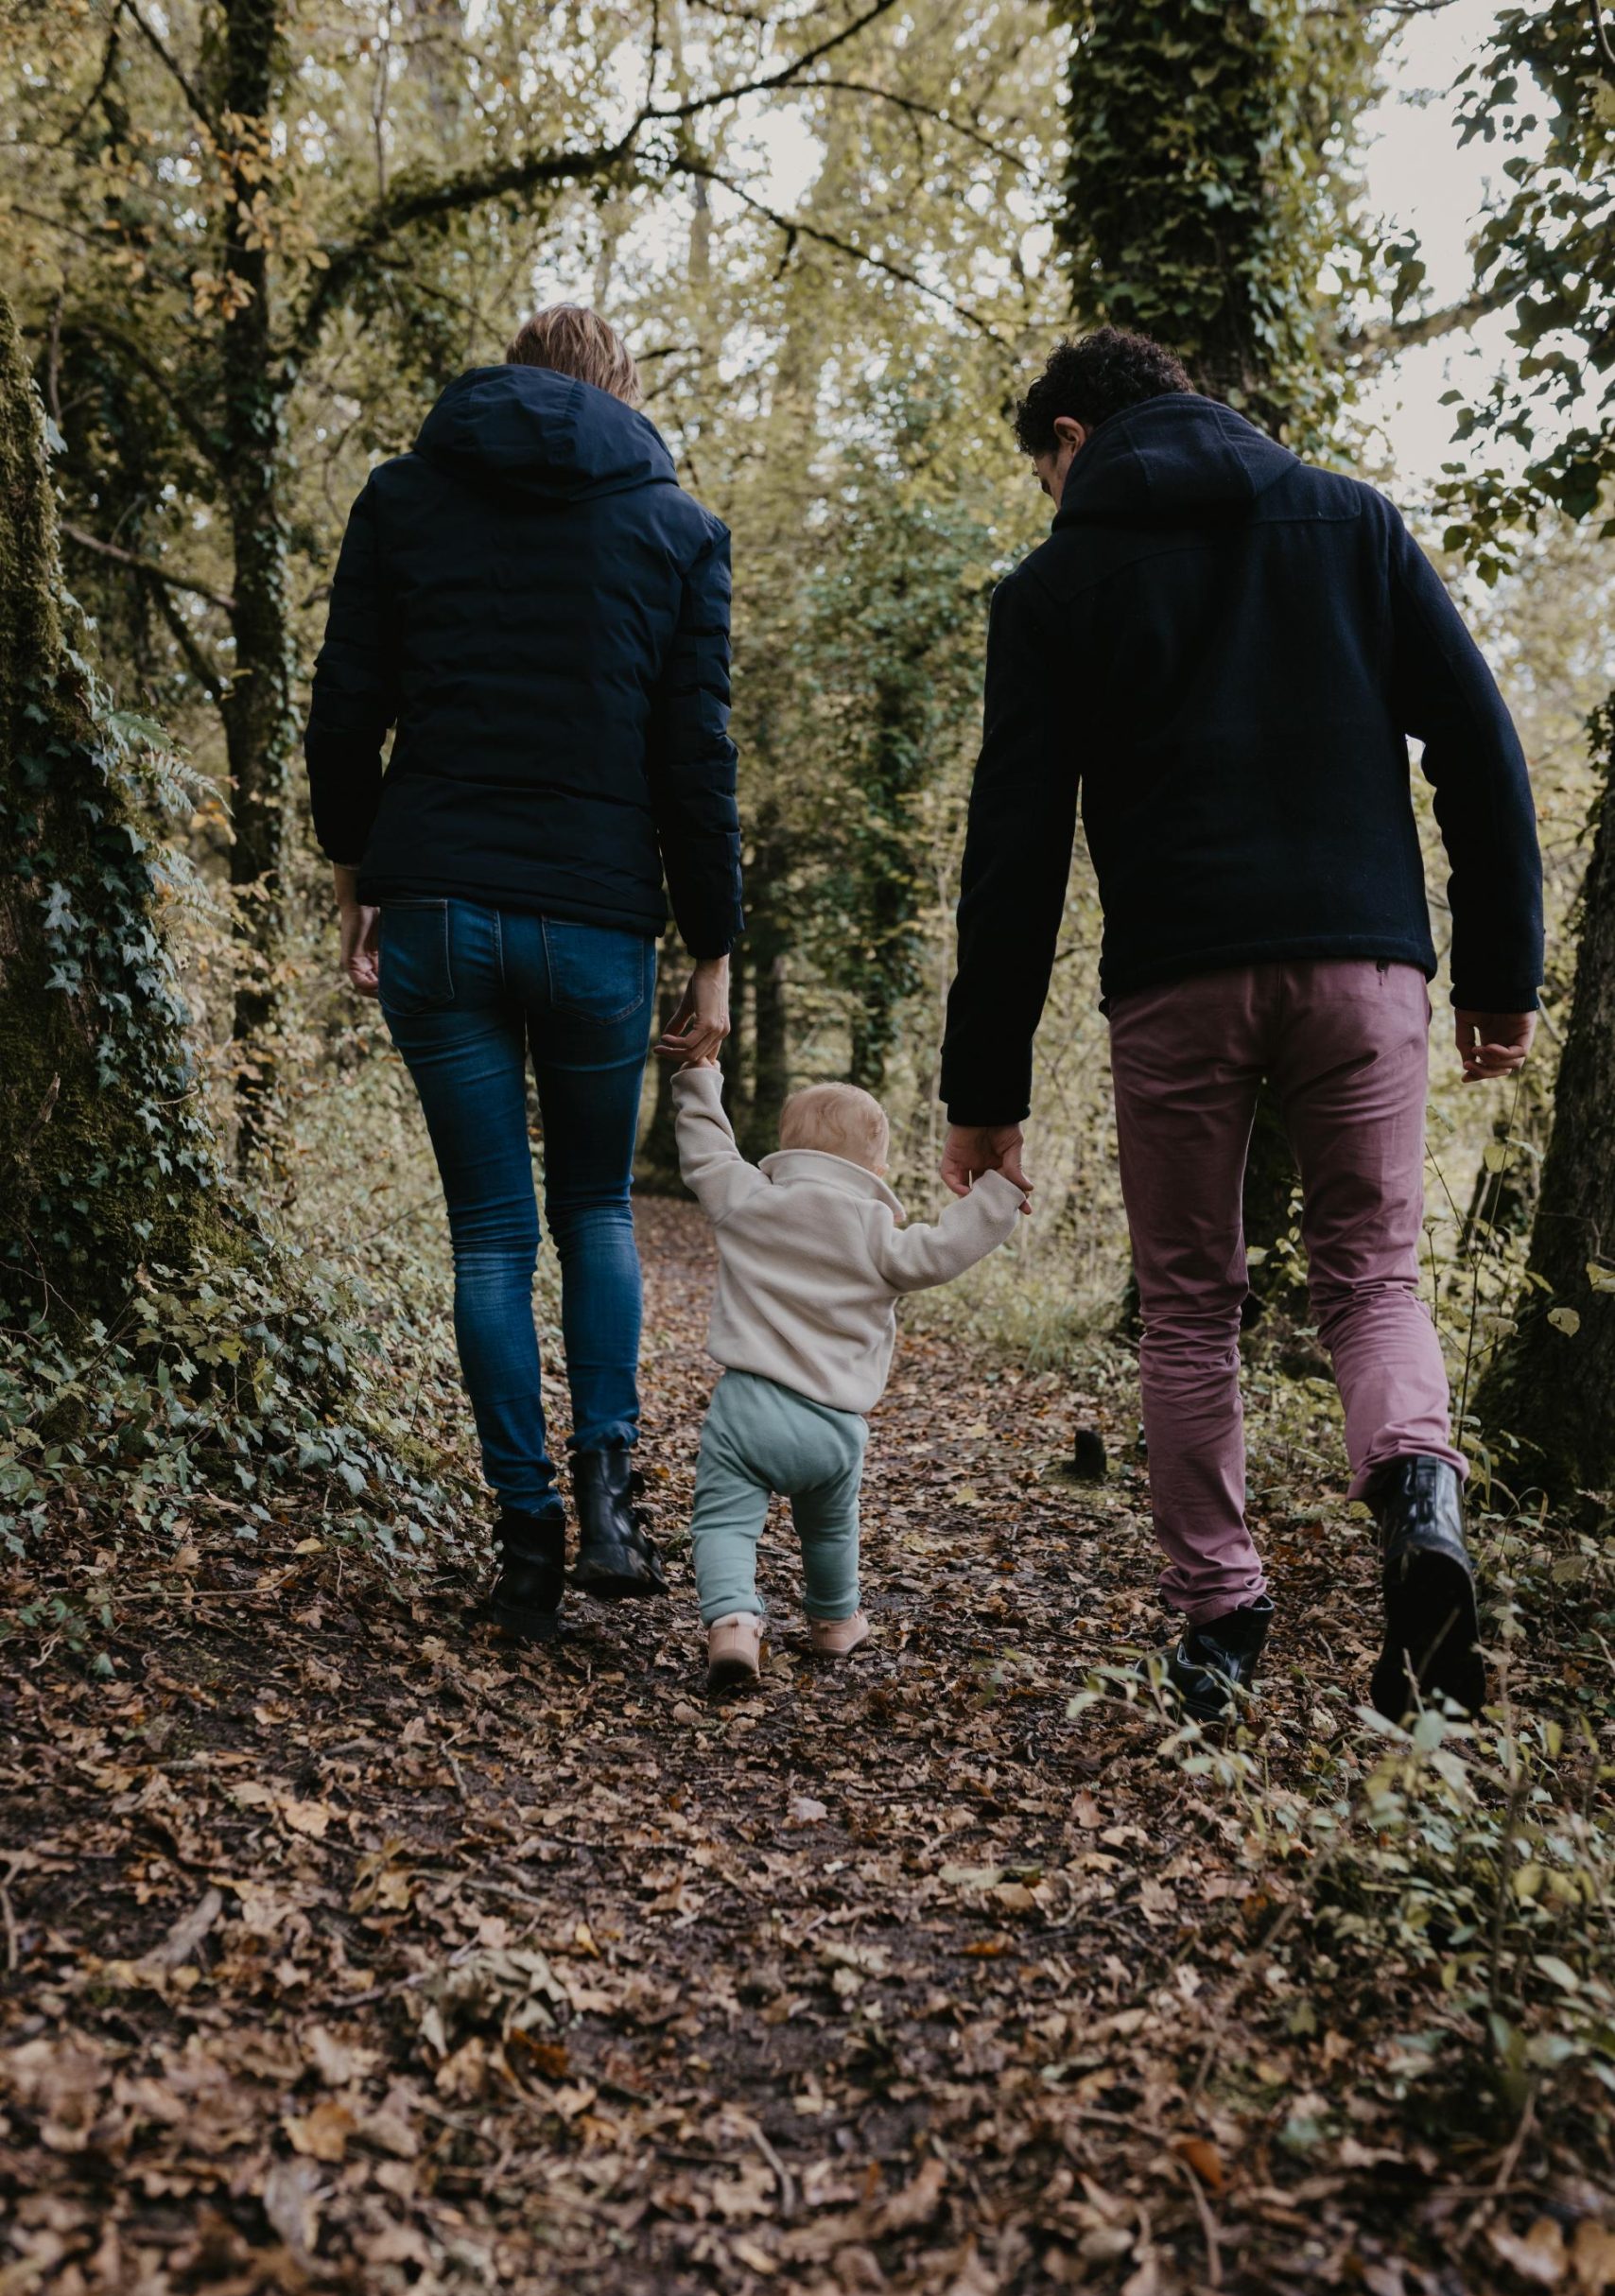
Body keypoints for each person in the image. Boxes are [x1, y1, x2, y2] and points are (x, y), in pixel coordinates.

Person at [940, 326, 1542, 1725]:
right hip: (1365, 969)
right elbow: (1477, 739)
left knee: (1192, 1310)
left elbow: (1014, 851)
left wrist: (987, 1090)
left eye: (1045, 472)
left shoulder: (1054, 589)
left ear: (1073, 439)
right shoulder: (1350, 519)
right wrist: (1501, 972)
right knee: (1373, 1279)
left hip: (1179, 983)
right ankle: (1419, 1502)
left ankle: (1220, 1622)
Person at [304, 304, 739, 1644]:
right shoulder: (679, 533)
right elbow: (696, 766)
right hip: (600, 918)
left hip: (436, 900)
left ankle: (529, 1547)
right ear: (621, 394)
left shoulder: (402, 500)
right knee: (598, 1210)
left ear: (506, 382)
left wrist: (355, 880)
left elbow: (345, 711)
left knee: (490, 1235)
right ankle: (613, 1498)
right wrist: (714, 957)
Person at [672, 1065, 1026, 1688]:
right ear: (875, 1171)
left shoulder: (750, 1197)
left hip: (745, 1409)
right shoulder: (874, 1233)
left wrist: (699, 1078)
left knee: (724, 1523)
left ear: (785, 1148)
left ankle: (731, 1623)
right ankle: (835, 1624)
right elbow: (943, 1249)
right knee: (831, 1527)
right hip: (833, 1425)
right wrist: (998, 1192)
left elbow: (705, 1150)